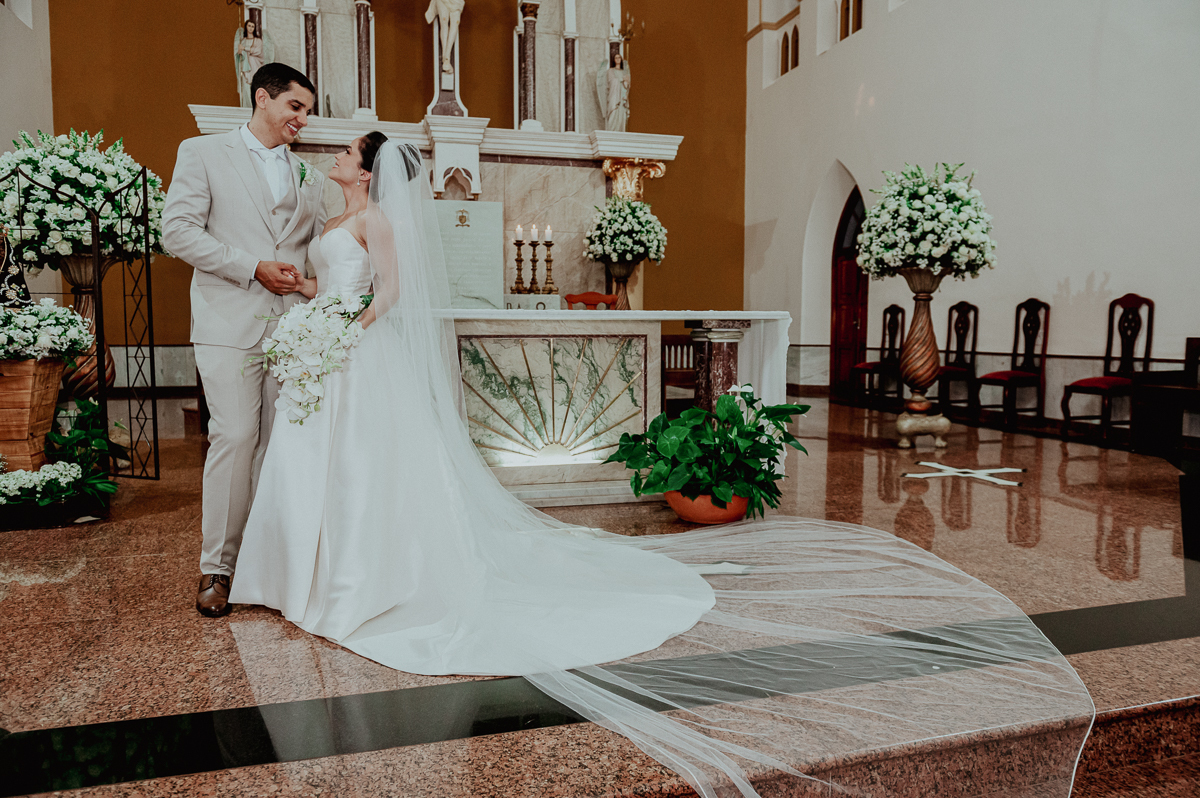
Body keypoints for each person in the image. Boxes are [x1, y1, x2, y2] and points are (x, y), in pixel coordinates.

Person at [229, 135, 715, 675]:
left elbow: (391, 291)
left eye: (349, 152)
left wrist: (347, 332)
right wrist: (306, 290)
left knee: (359, 462)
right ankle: (296, 574)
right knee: (310, 456)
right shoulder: (334, 220)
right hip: (329, 347)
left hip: (356, 351)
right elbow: (339, 284)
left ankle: (362, 577)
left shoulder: (378, 221)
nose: (339, 156)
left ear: (367, 173)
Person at [162, 63, 327, 619]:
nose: (302, 119)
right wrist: (250, 266)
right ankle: (220, 567)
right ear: (263, 98)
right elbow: (178, 231)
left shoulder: (309, 175)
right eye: (295, 107)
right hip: (228, 323)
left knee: (279, 447)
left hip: (294, 332)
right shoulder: (203, 153)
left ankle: (269, 565)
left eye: (307, 111)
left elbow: (320, 243)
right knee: (234, 437)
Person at [234, 20, 268, 109]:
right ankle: (247, 106)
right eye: (249, 26)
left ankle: (256, 107)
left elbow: (258, 51)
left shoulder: (258, 41)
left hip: (255, 66)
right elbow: (239, 55)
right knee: (246, 86)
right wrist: (240, 52)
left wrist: (245, 48)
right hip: (245, 68)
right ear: (246, 27)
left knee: (255, 86)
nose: (250, 28)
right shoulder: (243, 41)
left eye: (252, 26)